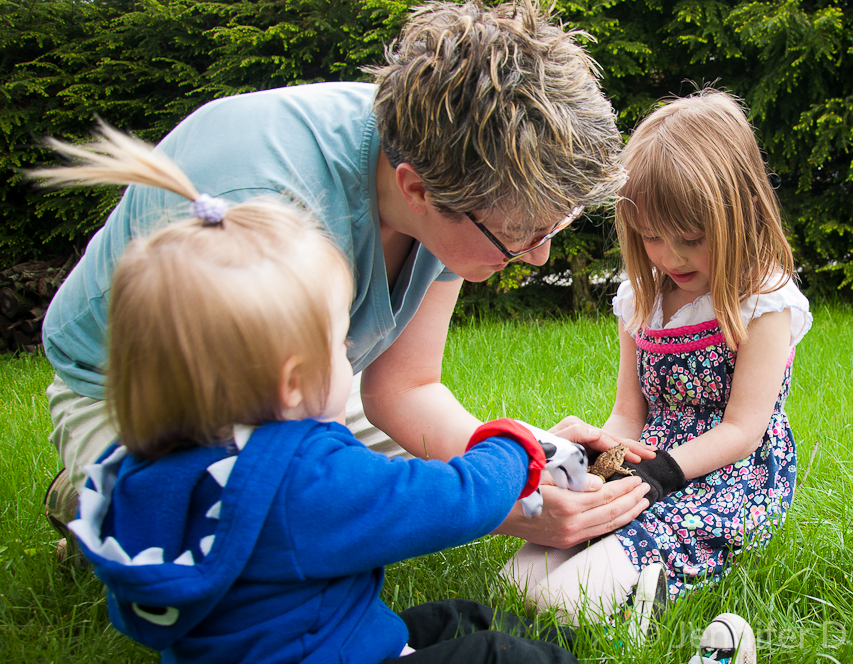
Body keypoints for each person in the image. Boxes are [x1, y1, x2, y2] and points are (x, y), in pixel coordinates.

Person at [41, 0, 655, 558]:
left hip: (298, 386)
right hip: (159, 394)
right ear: (418, 189)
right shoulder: (272, 210)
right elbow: (277, 464)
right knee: (258, 547)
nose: (539, 257)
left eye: (554, 227)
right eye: (521, 237)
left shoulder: (456, 174)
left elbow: (404, 388)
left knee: (419, 482)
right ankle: (101, 496)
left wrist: (526, 468)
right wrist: (500, 511)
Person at [36, 125, 594, 663]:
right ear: (290, 380)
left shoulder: (155, 472)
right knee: (503, 654)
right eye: (337, 339)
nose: (353, 344)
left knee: (459, 618)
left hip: (318, 632)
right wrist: (511, 450)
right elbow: (444, 501)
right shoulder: (305, 479)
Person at [502, 90, 812, 634]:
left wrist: (659, 475)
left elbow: (742, 431)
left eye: (691, 239)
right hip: (648, 465)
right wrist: (605, 466)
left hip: (726, 476)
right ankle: (628, 582)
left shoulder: (764, 301)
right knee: (516, 584)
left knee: (567, 603)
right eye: (651, 238)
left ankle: (650, 595)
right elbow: (628, 412)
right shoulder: (640, 299)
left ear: (738, 215)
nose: (669, 257)